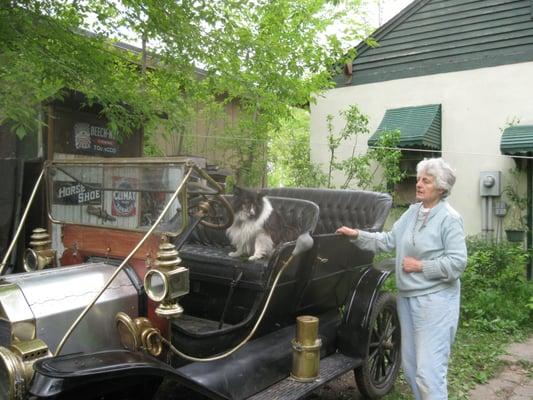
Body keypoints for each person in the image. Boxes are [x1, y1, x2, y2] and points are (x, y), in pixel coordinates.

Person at [336, 158, 467, 400]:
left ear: (441, 187)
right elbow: (388, 241)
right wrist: (357, 235)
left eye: (425, 181)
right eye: (419, 179)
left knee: (429, 372)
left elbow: (458, 263)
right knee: (411, 368)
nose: (418, 184)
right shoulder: (413, 212)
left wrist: (421, 266)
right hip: (407, 298)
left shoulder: (449, 218)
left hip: (435, 302)